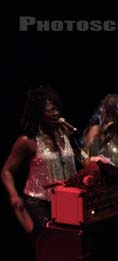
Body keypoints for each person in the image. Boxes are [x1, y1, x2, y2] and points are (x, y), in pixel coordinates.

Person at [1, 85, 77, 237]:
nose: (55, 113)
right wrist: (14, 196)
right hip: (40, 202)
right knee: (49, 246)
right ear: (37, 114)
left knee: (70, 246)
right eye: (49, 110)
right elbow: (7, 171)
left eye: (56, 109)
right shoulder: (27, 141)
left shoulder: (64, 134)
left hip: (67, 200)